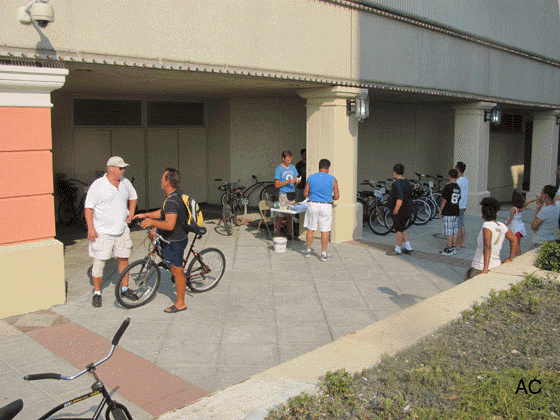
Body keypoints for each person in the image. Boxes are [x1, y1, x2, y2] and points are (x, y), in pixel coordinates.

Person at [133, 168, 189, 313]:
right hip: (171, 237)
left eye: (163, 178)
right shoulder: (173, 196)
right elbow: (162, 213)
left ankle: (181, 303)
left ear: (168, 181)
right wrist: (145, 214)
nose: (160, 180)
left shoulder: (172, 200)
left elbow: (169, 225)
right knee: (154, 237)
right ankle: (170, 264)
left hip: (175, 240)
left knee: (177, 272)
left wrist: (151, 222)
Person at [84, 156, 138, 308]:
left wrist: (131, 212)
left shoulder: (125, 183)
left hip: (121, 230)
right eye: (121, 168)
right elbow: (88, 208)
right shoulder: (98, 185)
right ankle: (97, 293)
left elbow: (133, 196)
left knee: (124, 259)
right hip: (103, 232)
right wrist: (90, 228)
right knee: (99, 262)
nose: (123, 170)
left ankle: (125, 289)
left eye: (123, 168)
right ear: (111, 169)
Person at [465, 197, 518, 280]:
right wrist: (510, 258)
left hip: (480, 266)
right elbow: (514, 240)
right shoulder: (501, 226)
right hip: (496, 265)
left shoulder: (487, 226)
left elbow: (487, 246)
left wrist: (485, 268)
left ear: (483, 214)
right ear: (496, 214)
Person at [303, 158, 339, 261]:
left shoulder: (311, 177)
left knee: (311, 228)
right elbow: (337, 196)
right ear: (328, 168)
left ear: (319, 167)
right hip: (326, 206)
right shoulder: (332, 179)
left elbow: (305, 193)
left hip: (312, 205)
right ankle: (323, 253)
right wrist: (329, 196)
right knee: (325, 230)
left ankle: (308, 250)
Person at [386, 163, 414, 256]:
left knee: (398, 230)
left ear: (394, 172)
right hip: (407, 209)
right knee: (403, 228)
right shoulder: (406, 182)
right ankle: (408, 247)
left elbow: (400, 198)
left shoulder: (397, 183)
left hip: (400, 210)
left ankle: (397, 249)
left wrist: (395, 209)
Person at [274, 150, 301, 238]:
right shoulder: (279, 169)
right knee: (281, 214)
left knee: (290, 214)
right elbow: (277, 184)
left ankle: (290, 234)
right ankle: (277, 233)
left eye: (290, 159)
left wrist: (297, 181)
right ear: (283, 159)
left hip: (292, 193)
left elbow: (295, 178)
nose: (289, 161)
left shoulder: (293, 168)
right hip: (283, 193)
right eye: (288, 160)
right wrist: (287, 181)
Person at [438, 169, 461, 255]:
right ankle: (454, 247)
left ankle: (449, 248)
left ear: (449, 176)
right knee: (454, 231)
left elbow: (444, 200)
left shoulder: (448, 187)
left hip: (448, 212)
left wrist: (440, 211)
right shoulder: (457, 187)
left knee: (449, 232)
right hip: (456, 211)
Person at [505, 190, 526, 256]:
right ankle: (518, 257)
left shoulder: (514, 209)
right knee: (518, 244)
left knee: (512, 243)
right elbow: (528, 203)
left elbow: (510, 218)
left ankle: (511, 256)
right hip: (520, 227)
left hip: (513, 227)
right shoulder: (522, 208)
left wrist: (505, 225)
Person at [455, 161, 469, 248]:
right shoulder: (466, 180)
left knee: (457, 226)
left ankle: (457, 244)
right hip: (463, 205)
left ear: (457, 169)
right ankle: (462, 242)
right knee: (461, 224)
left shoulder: (458, 181)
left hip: (458, 205)